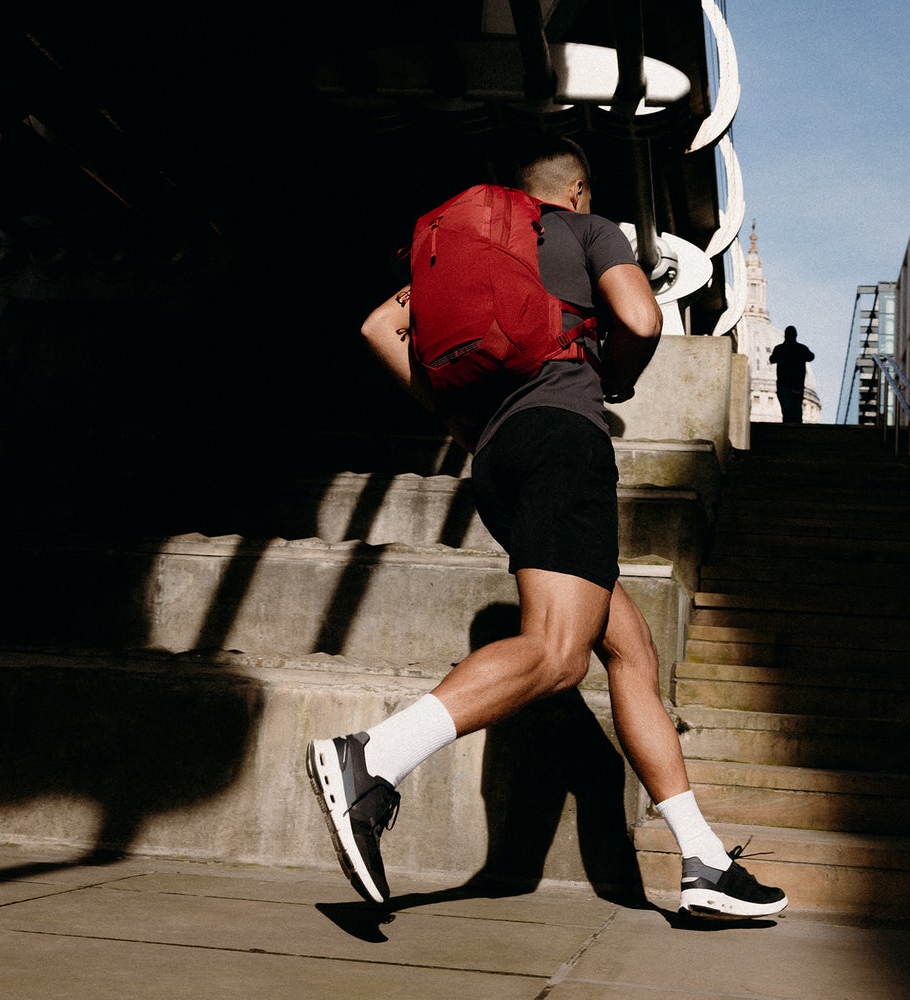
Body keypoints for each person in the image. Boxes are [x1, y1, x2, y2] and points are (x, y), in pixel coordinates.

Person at [308, 136, 788, 920]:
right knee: (561, 656)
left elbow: (376, 328)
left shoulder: (467, 248)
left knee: (630, 650)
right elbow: (641, 317)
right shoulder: (586, 230)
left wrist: (461, 419)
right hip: (565, 443)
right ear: (579, 190)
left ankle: (703, 861)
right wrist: (615, 378)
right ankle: (370, 760)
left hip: (499, 459)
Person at [770, 326, 815, 424]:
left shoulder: (780, 349)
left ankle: (788, 427)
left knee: (786, 410)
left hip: (784, 384)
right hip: (797, 384)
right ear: (796, 336)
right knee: (796, 409)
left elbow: (772, 359)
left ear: (785, 336)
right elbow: (811, 357)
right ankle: (796, 427)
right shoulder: (801, 348)